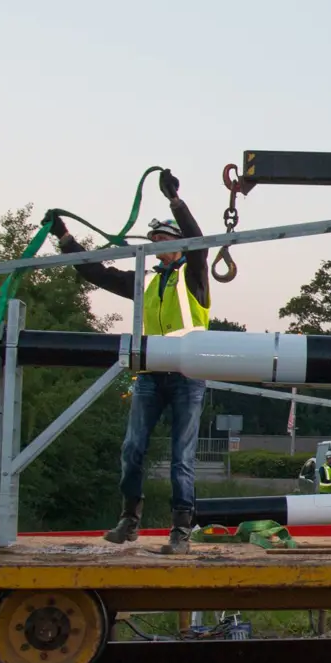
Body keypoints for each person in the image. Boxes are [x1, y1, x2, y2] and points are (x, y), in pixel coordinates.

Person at [51, 168, 210, 554]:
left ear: (178, 246)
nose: (156, 247)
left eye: (164, 241)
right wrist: (64, 238)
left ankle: (181, 531)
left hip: (188, 376)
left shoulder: (193, 278)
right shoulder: (147, 283)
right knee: (133, 447)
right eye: (152, 242)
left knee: (181, 457)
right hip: (151, 376)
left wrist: (175, 200)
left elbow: (201, 244)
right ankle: (130, 520)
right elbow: (96, 272)